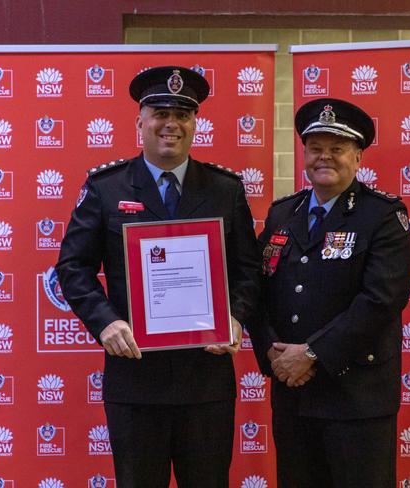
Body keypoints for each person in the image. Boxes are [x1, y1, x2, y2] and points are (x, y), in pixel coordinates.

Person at [56, 66, 260, 488]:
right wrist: (105, 322)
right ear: (140, 122)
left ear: (195, 123)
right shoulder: (107, 188)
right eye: (160, 112)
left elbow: (248, 270)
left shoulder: (225, 189)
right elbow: (73, 267)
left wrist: (235, 318)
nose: (172, 124)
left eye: (183, 114)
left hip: (205, 379)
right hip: (135, 380)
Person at [249, 98, 410, 487]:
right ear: (304, 154)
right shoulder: (281, 214)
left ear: (357, 157)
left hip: (356, 397)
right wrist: (274, 354)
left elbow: (381, 301)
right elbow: (255, 287)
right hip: (293, 394)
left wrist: (310, 354)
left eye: (337, 149)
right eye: (315, 148)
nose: (325, 157)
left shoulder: (382, 216)